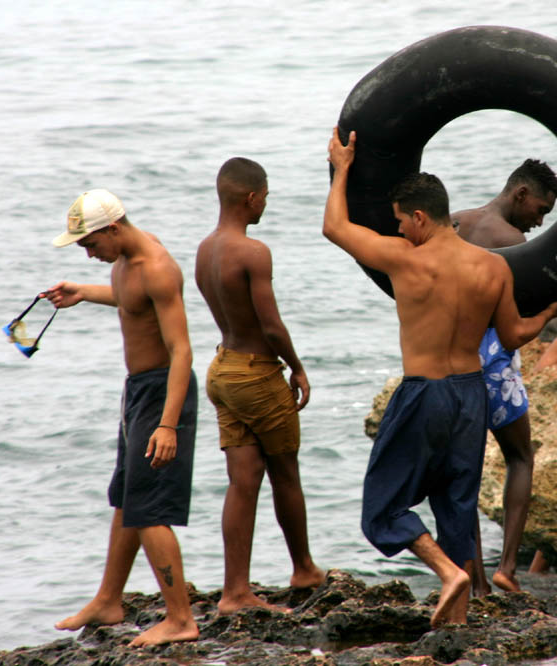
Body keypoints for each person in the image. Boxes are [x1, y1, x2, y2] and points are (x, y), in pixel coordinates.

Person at [324, 128, 557, 627]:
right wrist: (549, 309)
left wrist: (342, 168)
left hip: (425, 393)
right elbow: (509, 336)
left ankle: (448, 573)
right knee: (456, 505)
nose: (398, 232)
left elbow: (335, 228)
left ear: (420, 217)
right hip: (472, 395)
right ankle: (457, 620)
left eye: (401, 222)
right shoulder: (494, 268)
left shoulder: (405, 258)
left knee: (383, 507)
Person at [44, 188, 199, 647]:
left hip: (163, 392)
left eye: (90, 245)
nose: (89, 254)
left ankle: (180, 620)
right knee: (126, 497)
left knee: (150, 508)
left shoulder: (157, 267)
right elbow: (131, 300)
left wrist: (168, 424)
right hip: (139, 391)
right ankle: (108, 600)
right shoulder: (126, 262)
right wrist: (84, 293)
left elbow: (182, 350)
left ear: (113, 229)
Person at [195, 157, 325, 615]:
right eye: (265, 197)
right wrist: (298, 367)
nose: (265, 205)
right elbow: (270, 326)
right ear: (251, 198)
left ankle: (234, 592)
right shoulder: (252, 252)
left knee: (243, 480)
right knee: (285, 472)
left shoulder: (204, 249)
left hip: (222, 369)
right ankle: (304, 568)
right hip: (256, 372)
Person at [451, 159, 557, 596]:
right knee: (520, 458)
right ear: (520, 194)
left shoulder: (453, 223)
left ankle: (476, 583)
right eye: (539, 209)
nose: (538, 222)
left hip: (453, 363)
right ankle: (508, 568)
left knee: (465, 475)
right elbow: (514, 321)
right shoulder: (513, 243)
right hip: (493, 364)